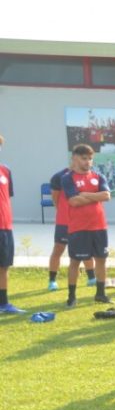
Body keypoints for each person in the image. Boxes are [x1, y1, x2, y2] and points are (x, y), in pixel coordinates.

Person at [61, 144, 113, 307]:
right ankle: (71, 297)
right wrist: (96, 196)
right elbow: (74, 201)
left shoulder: (98, 176)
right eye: (84, 158)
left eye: (90, 159)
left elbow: (107, 196)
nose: (88, 162)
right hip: (79, 227)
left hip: (99, 226)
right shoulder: (67, 178)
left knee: (101, 260)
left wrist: (85, 194)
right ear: (74, 158)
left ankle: (100, 294)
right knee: (75, 261)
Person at [47, 161, 96, 291]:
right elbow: (55, 199)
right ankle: (52, 281)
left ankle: (92, 278)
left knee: (85, 249)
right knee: (58, 249)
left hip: (83, 221)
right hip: (64, 222)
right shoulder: (59, 177)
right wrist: (64, 213)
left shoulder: (90, 176)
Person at [0, 133, 25, 314]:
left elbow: (7, 197)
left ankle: (3, 303)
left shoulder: (5, 170)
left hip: (5, 226)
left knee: (4, 265)